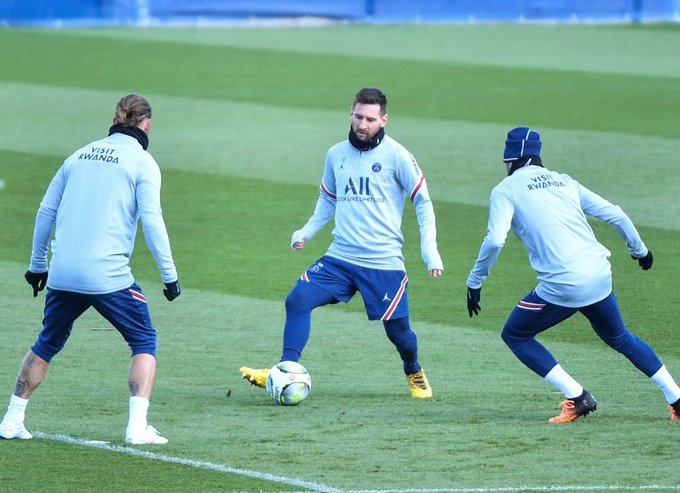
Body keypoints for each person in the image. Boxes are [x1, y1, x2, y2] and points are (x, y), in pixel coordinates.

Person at [466, 126, 680, 423]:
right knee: (621, 338)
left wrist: (475, 281)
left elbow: (494, 240)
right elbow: (616, 214)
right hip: (599, 275)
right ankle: (677, 398)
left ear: (510, 158)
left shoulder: (506, 189)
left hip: (563, 286)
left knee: (515, 334)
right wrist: (640, 250)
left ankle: (578, 397)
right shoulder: (564, 181)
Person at [240, 87, 444, 398]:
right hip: (340, 257)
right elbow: (328, 198)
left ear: (384, 120)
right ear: (351, 113)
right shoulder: (336, 154)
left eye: (371, 119)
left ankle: (413, 369)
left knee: (400, 335)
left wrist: (430, 251)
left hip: (382, 263)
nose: (363, 125)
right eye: (359, 116)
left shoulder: (398, 156)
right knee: (297, 300)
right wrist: (306, 231)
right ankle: (285, 369)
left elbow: (423, 203)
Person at [0, 94, 181, 444]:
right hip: (107, 276)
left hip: (63, 273)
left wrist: (38, 265)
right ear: (147, 124)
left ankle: (11, 419)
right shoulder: (143, 162)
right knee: (144, 339)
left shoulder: (78, 155)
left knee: (47, 342)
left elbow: (45, 212)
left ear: (115, 119)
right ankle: (135, 428)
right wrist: (169, 275)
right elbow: (153, 221)